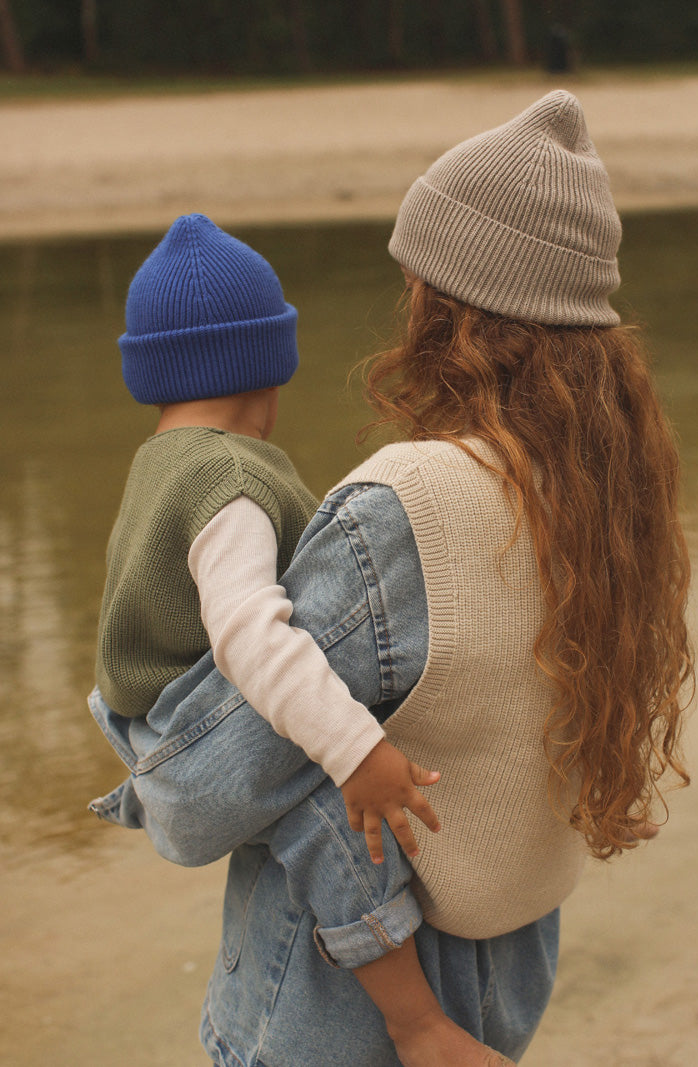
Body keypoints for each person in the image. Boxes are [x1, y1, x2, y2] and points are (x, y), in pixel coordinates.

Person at [90, 90, 694, 1066]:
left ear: (447, 301)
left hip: (348, 992)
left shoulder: (406, 503)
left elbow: (197, 799)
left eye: (414, 275)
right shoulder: (602, 491)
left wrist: (122, 714)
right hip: (513, 952)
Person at [91, 213, 511, 1066]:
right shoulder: (230, 479)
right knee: (334, 825)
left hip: (142, 717)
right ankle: (417, 1023)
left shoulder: (158, 463)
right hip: (195, 729)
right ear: (269, 364)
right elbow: (250, 633)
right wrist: (355, 749)